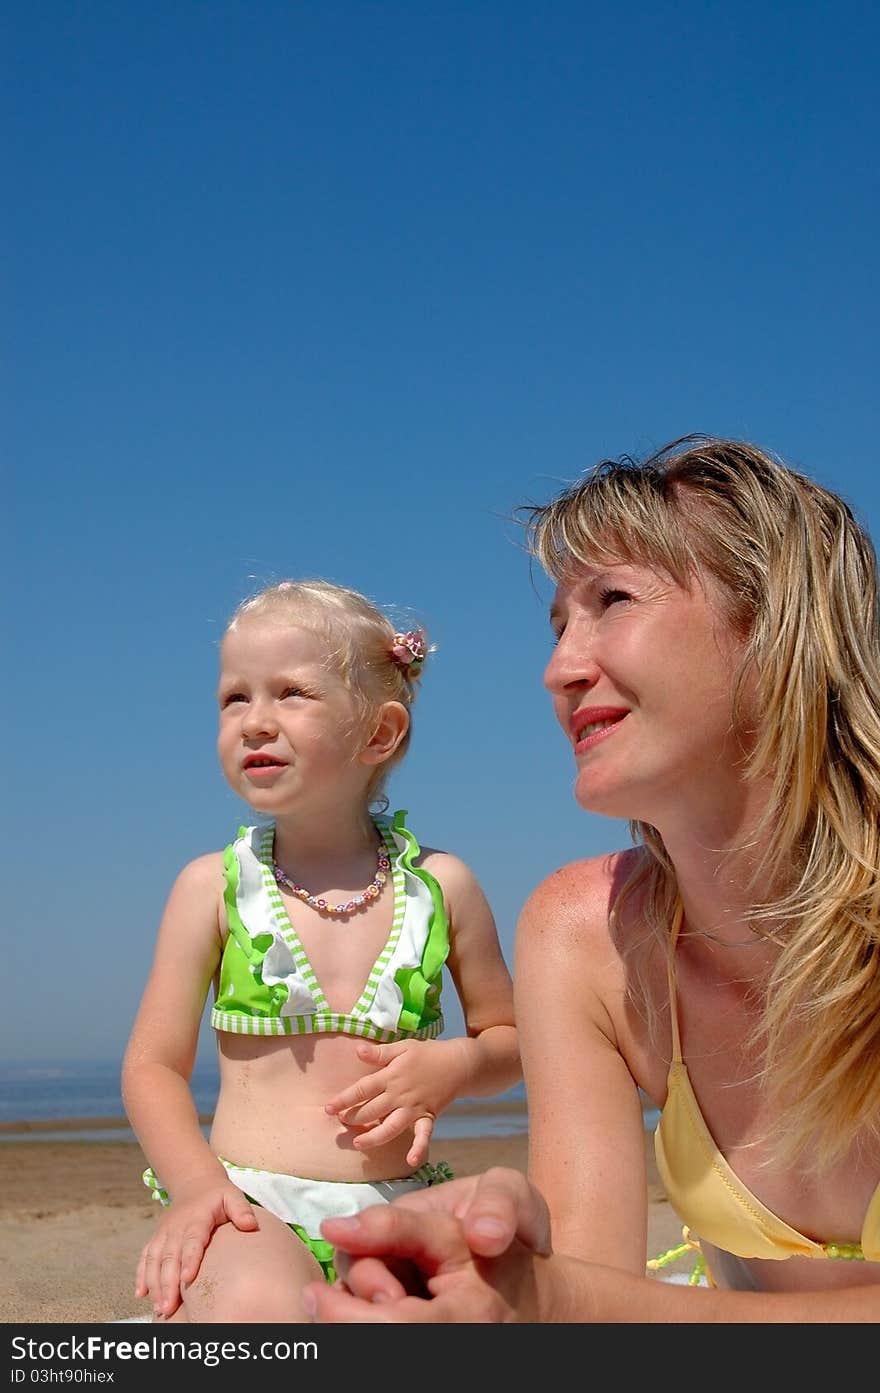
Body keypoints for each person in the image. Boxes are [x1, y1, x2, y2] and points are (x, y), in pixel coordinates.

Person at [302, 435, 880, 1322]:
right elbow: (573, 1295)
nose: (560, 669)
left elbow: (593, 1308)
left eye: (614, 600)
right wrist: (485, 1279)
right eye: (560, 624)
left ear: (775, 628)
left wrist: (578, 1303)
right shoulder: (587, 935)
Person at [121, 579, 520, 1322]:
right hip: (246, 1201)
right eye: (233, 697)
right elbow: (151, 1067)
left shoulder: (443, 886)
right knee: (261, 1306)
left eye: (290, 693)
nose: (254, 721)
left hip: (398, 1201)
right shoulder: (212, 887)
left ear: (379, 733)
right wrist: (196, 1188)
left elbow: (512, 1039)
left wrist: (458, 1063)